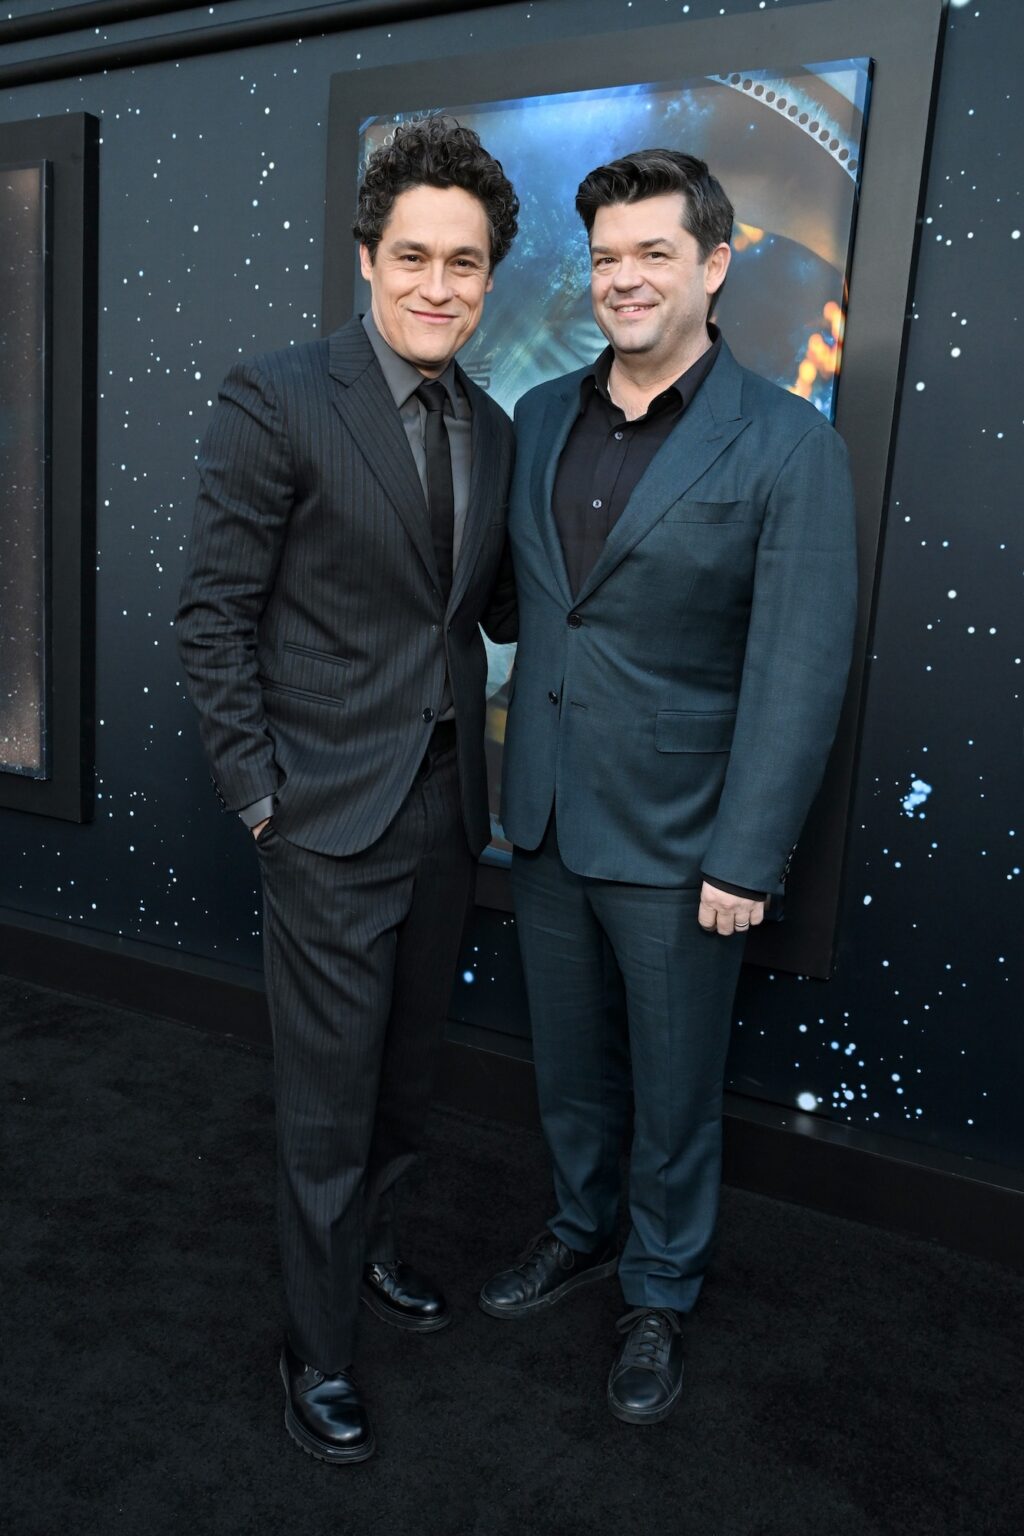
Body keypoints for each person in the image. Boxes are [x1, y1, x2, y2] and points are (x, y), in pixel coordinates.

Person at [479, 149, 857, 1425]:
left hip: (686, 841)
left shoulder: (787, 445)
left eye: (652, 254)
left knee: (676, 1088)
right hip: (539, 816)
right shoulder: (538, 415)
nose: (623, 279)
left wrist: (746, 857)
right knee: (567, 1072)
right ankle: (578, 1229)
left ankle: (659, 1290)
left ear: (713, 264)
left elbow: (798, 669)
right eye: (605, 257)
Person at [176, 117, 518, 1464]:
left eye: (468, 264)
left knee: (408, 1087)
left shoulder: (492, 426)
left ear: (491, 279)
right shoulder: (277, 394)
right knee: (324, 1109)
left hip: (447, 809)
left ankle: (375, 1257)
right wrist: (264, 802)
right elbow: (212, 620)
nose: (440, 286)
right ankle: (313, 1352)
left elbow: (478, 606)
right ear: (367, 257)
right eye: (416, 257)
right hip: (323, 820)